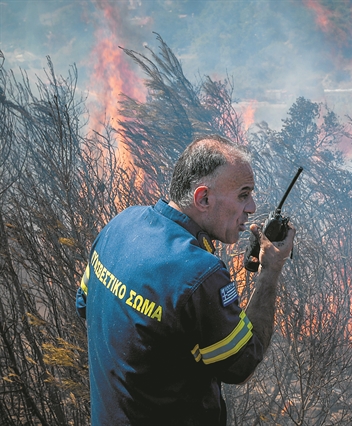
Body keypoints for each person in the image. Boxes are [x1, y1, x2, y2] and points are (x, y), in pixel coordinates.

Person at [76, 135, 295, 425]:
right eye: (243, 194)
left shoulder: (121, 223)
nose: (252, 207)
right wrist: (269, 271)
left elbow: (85, 306)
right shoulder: (200, 273)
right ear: (203, 198)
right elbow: (241, 363)